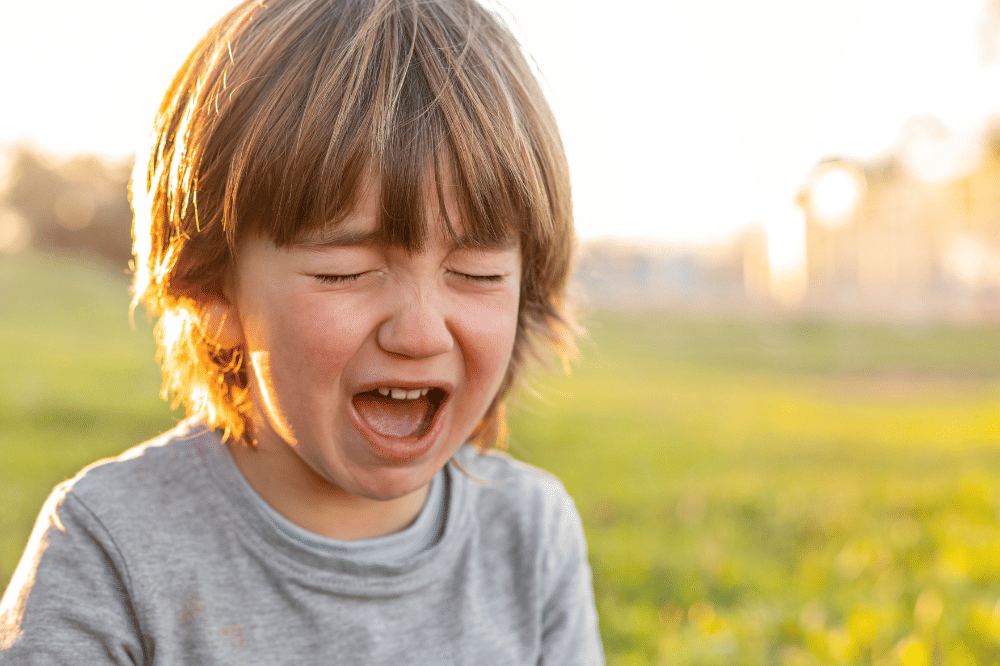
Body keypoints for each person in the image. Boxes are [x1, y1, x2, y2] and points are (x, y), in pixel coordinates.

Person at [0, 0, 603, 663]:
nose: (421, 333)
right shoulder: (111, 551)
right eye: (346, 271)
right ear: (213, 289)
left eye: (477, 273)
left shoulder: (532, 536)